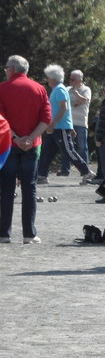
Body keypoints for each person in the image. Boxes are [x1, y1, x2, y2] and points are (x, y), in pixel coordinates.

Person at [0, 55, 51, 244]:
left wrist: (15, 137)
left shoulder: (2, 89)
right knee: (30, 188)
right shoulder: (39, 89)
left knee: (6, 189)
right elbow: (46, 119)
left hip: (8, 146)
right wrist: (30, 138)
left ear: (12, 69)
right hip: (32, 145)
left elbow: (0, 118)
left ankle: (4, 233)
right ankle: (29, 234)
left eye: (6, 68)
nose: (5, 71)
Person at [38, 64, 95, 184]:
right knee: (46, 152)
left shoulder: (59, 89)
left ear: (53, 78)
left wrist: (53, 124)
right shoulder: (56, 90)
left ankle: (86, 172)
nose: (47, 80)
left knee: (69, 151)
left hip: (60, 127)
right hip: (55, 127)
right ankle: (41, 175)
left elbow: (63, 108)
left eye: (48, 77)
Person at [68, 70, 91, 168]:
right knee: (68, 147)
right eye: (70, 79)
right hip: (69, 122)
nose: (71, 81)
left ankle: (85, 169)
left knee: (82, 147)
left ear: (80, 80)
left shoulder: (86, 89)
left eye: (73, 79)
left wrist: (76, 93)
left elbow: (84, 100)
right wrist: (76, 102)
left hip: (81, 122)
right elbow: (65, 103)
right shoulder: (67, 89)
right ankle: (66, 168)